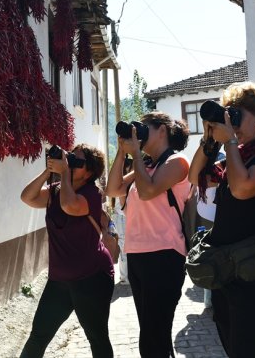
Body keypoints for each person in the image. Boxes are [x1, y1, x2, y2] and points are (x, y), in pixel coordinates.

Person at [194, 82, 255, 358]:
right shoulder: (237, 155)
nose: (232, 124)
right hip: (229, 271)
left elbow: (242, 188)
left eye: (237, 116)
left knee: (250, 348)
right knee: (231, 342)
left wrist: (229, 141)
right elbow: (195, 177)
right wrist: (209, 138)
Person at [105, 111, 191, 358]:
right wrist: (122, 152)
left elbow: (147, 191)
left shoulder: (177, 162)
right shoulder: (147, 165)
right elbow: (112, 188)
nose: (138, 134)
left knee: (153, 335)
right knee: (152, 331)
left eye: (143, 129)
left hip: (165, 254)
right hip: (138, 254)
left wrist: (135, 156)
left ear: (162, 130)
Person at [19, 144, 114, 358]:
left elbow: (70, 206)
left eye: (77, 163)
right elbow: (28, 197)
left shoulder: (91, 194)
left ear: (90, 172)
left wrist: (63, 173)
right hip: (59, 280)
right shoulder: (55, 190)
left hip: (92, 277)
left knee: (97, 338)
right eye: (70, 159)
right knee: (39, 335)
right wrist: (48, 171)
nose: (70, 165)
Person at [188, 140, 224, 309]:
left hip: (217, 215)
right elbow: (193, 179)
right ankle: (209, 299)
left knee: (213, 255)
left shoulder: (224, 160)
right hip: (207, 214)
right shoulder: (210, 163)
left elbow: (205, 180)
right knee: (209, 254)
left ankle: (210, 299)